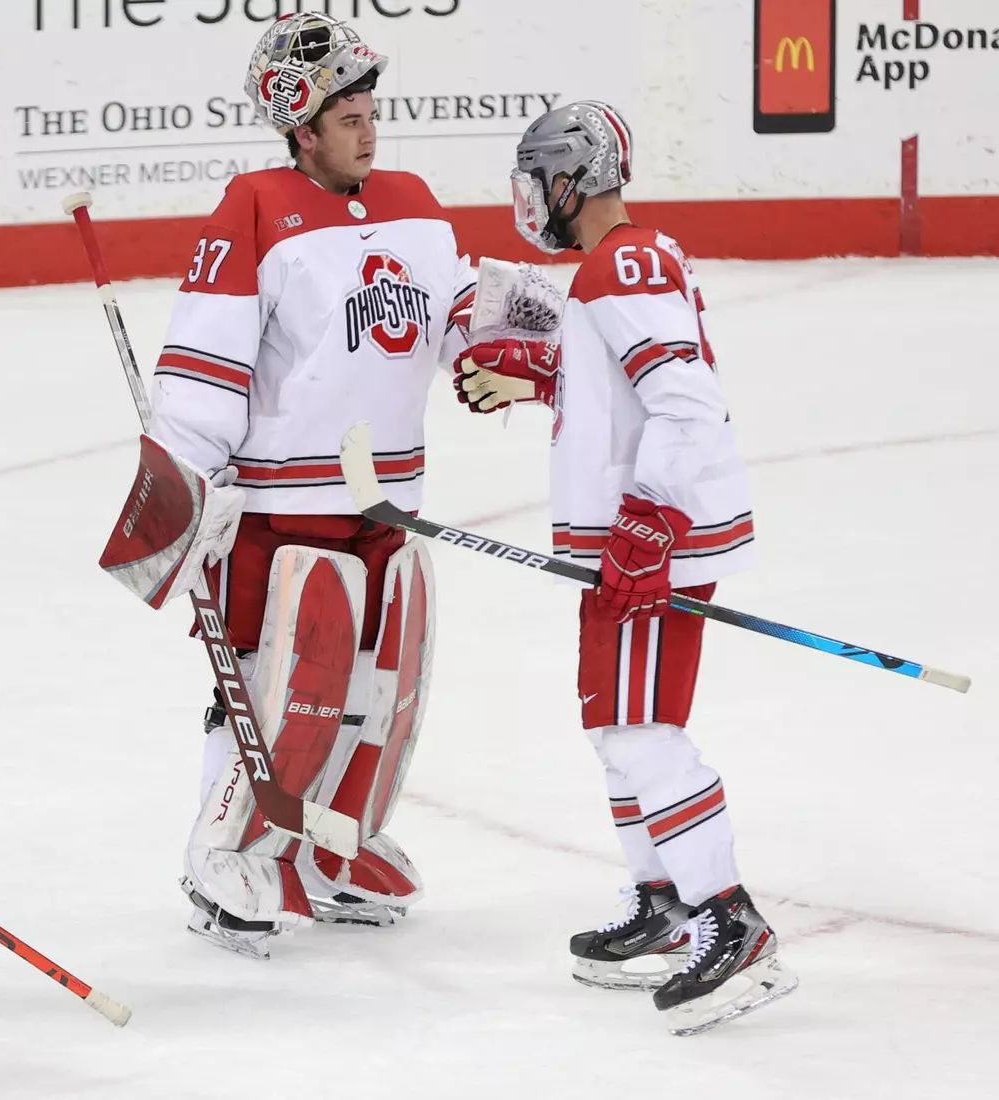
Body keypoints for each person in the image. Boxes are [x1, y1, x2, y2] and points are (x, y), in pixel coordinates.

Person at [100, 13, 561, 958]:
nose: (367, 128)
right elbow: (205, 360)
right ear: (299, 124)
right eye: (345, 114)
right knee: (285, 680)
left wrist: (527, 333)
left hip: (385, 500)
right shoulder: (255, 207)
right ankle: (221, 850)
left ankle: (330, 848)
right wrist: (187, 490)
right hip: (281, 507)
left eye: (369, 110)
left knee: (383, 681)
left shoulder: (412, 198)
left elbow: (450, 317)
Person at [454, 100, 798, 1034]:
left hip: (655, 535)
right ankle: (666, 901)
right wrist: (531, 376)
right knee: (614, 724)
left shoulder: (620, 262)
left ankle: (730, 918)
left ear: (569, 179)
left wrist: (647, 523)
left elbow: (688, 400)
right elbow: (620, 385)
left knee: (641, 727)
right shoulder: (618, 266)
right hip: (637, 531)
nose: (530, 200)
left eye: (537, 180)